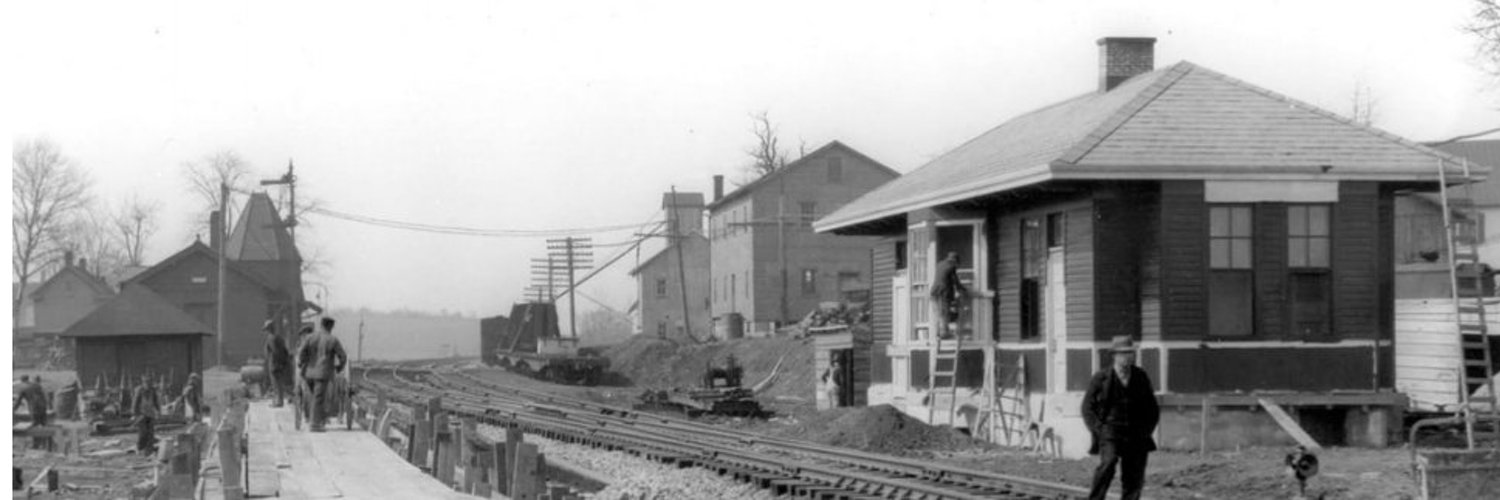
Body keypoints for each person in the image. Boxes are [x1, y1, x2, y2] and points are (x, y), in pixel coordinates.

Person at [1081, 336, 1160, 500]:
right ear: (1114, 355)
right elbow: (1087, 407)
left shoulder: (1140, 376)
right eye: (1123, 353)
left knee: (1134, 475)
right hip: (1110, 430)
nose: (1128, 357)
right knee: (1108, 463)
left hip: (1136, 432)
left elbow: (1152, 408)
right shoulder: (1101, 378)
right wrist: (1099, 429)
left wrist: (1146, 430)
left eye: (1130, 353)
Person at [297, 317, 347, 432]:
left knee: (313, 397)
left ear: (321, 325)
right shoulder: (333, 340)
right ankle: (314, 425)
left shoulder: (310, 337)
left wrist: (301, 363)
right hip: (322, 374)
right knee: (318, 399)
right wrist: (339, 368)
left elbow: (302, 352)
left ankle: (318, 419)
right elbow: (343, 357)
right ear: (331, 327)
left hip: (309, 373)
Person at [929, 252, 967, 339]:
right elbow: (956, 282)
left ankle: (938, 333)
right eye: (958, 264)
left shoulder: (940, 264)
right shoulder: (952, 266)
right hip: (943, 292)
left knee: (938, 314)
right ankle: (945, 333)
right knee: (944, 313)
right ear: (955, 261)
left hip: (934, 292)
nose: (957, 267)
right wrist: (964, 289)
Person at [263, 319, 293, 407]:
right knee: (278, 383)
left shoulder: (271, 338)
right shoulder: (279, 337)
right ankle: (278, 400)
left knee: (276, 383)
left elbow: (275, 351)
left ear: (269, 329)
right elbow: (285, 351)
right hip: (279, 363)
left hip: (274, 363)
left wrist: (277, 363)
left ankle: (278, 402)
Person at [132, 374, 161, 455]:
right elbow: (135, 403)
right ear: (143, 383)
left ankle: (149, 450)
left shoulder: (153, 390)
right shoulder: (139, 390)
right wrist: (135, 414)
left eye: (150, 382)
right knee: (143, 432)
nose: (148, 384)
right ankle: (140, 448)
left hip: (150, 414)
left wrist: (158, 411)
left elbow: (156, 402)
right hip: (141, 414)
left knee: (150, 432)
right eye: (146, 382)